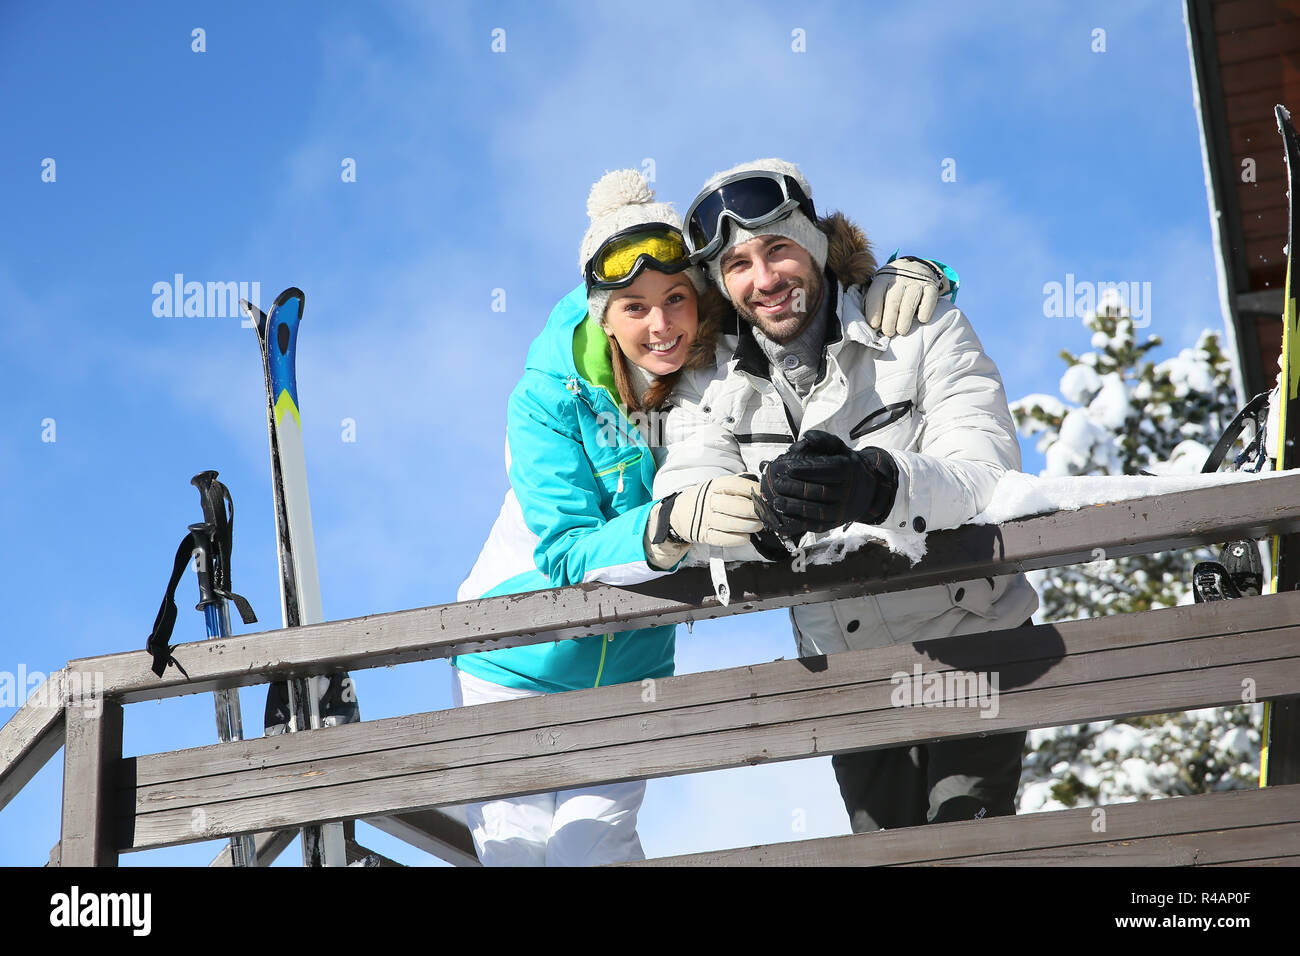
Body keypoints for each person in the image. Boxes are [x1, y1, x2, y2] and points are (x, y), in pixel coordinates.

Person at [453, 168, 950, 865]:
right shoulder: (547, 399)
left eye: (677, 299)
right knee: (520, 853)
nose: (661, 327)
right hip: (514, 662)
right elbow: (565, 551)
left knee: (592, 852)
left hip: (631, 664)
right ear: (603, 313)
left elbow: (789, 266)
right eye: (633, 307)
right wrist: (671, 524)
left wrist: (915, 271)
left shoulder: (713, 361)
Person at [653, 158, 1039, 832]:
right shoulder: (706, 387)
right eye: (738, 265)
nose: (765, 279)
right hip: (851, 673)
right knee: (883, 851)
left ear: (817, 245)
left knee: (966, 836)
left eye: (778, 248)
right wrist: (766, 515)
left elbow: (987, 468)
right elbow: (693, 494)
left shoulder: (919, 325)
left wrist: (877, 485)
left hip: (975, 636)